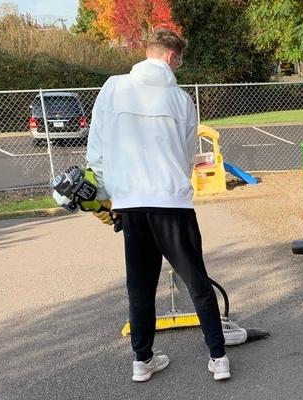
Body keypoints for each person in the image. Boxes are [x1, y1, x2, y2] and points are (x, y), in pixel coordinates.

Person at [86, 29, 230, 382]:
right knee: (196, 280)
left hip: (131, 203)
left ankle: (142, 360)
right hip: (171, 201)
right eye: (179, 61)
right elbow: (184, 157)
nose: (179, 67)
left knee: (140, 285)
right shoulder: (181, 100)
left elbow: (97, 148)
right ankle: (218, 357)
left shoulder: (113, 87)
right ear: (170, 57)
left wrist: (106, 195)